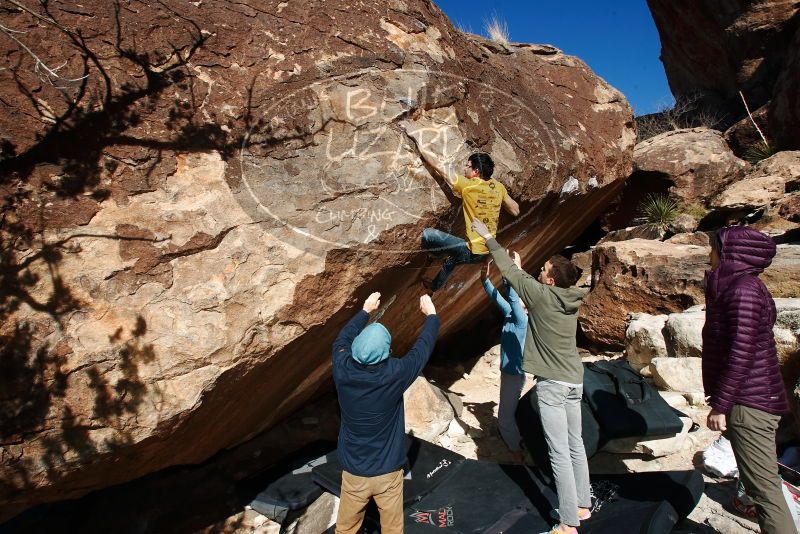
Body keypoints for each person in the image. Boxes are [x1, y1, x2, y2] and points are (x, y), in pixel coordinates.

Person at [471, 218, 590, 534]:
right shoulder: (569, 299)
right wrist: (521, 269)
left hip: (553, 384)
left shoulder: (541, 296)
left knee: (559, 453)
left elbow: (510, 274)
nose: (540, 270)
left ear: (550, 280)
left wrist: (487, 236)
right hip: (575, 379)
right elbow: (519, 277)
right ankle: (582, 504)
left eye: (544, 269)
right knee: (575, 443)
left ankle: (568, 523)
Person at [702, 226, 793, 534]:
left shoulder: (744, 290)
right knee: (761, 486)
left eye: (714, 248)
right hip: (751, 399)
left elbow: (740, 353)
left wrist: (720, 405)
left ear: (731, 254)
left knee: (764, 490)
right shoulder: (738, 287)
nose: (709, 254)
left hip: (750, 403)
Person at [333, 292, 439, 534]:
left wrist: (365, 310)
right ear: (387, 351)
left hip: (354, 471)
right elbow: (422, 349)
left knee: (345, 529)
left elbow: (341, 340)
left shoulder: (342, 369)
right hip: (388, 472)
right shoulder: (395, 374)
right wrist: (431, 316)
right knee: (392, 529)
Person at [404, 128, 520, 291]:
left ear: (476, 172)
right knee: (454, 257)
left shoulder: (468, 186)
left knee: (428, 234)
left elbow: (439, 167)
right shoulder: (498, 187)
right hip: (486, 251)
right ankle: (435, 286)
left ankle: (434, 253)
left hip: (471, 250)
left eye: (467, 166)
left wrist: (415, 137)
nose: (464, 168)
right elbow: (515, 211)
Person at [480, 258, 527, 464]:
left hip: (514, 374)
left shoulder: (522, 319)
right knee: (510, 410)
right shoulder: (510, 313)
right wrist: (484, 277)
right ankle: (519, 441)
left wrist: (513, 269)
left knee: (505, 419)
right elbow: (495, 295)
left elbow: (513, 296)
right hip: (508, 372)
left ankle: (516, 452)